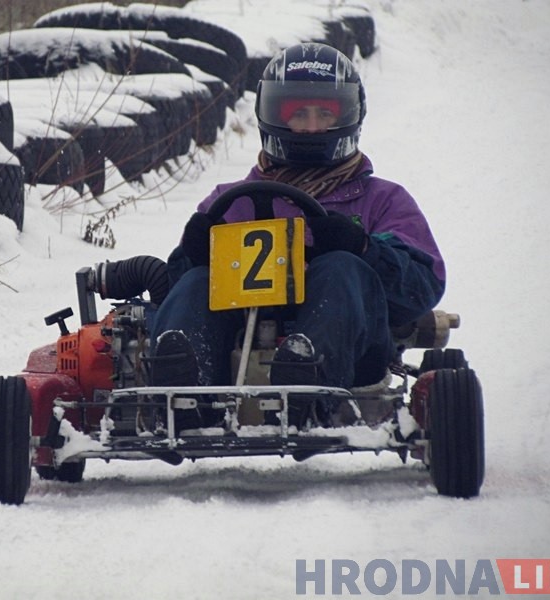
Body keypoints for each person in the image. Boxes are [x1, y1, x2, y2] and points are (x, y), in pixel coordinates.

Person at [149, 42, 445, 426]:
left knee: (341, 267)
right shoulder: (229, 203)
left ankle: (308, 371)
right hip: (233, 349)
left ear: (350, 117)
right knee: (198, 280)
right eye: (298, 114)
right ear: (270, 116)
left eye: (324, 114)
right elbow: (170, 291)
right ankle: (184, 384)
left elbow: (421, 287)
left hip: (351, 361)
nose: (310, 127)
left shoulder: (382, 200)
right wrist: (192, 255)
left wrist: (363, 249)